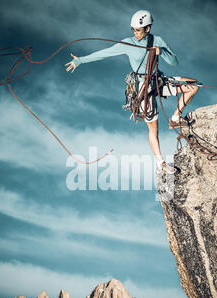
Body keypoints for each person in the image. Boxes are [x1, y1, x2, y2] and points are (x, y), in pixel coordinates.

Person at [65, 10, 199, 175]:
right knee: (153, 128)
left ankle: (175, 118)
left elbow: (174, 61)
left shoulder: (157, 41)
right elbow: (104, 54)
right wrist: (80, 61)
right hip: (143, 87)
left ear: (148, 28)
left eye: (139, 30)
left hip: (158, 80)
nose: (135, 33)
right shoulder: (126, 43)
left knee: (193, 87)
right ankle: (160, 163)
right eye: (133, 29)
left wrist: (160, 51)